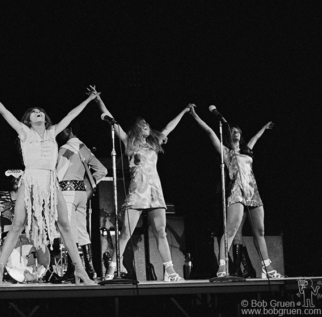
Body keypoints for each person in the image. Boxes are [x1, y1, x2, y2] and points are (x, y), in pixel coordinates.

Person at [0, 83, 99, 286]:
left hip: (51, 181)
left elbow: (70, 115)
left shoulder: (52, 132)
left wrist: (89, 100)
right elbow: (3, 110)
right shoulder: (24, 132)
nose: (38, 113)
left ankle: (81, 271)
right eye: (34, 113)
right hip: (31, 179)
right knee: (17, 225)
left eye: (41, 112)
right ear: (28, 120)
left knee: (65, 226)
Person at [94, 94, 193, 282]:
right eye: (143, 123)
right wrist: (99, 101)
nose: (147, 125)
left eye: (147, 123)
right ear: (137, 128)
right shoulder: (128, 142)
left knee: (161, 231)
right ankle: (112, 268)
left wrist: (185, 111)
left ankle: (170, 272)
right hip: (138, 191)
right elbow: (112, 122)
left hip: (155, 191)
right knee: (125, 233)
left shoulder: (153, 144)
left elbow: (168, 128)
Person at [189, 107, 283, 279]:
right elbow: (210, 132)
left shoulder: (247, 150)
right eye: (233, 131)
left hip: (252, 191)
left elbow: (255, 138)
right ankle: (222, 265)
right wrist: (196, 116)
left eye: (238, 132)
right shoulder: (227, 152)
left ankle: (267, 268)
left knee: (259, 231)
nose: (236, 133)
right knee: (231, 229)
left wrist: (263, 128)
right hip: (237, 191)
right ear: (229, 134)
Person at [56, 120, 108, 281]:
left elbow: (58, 174)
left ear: (70, 130)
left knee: (69, 233)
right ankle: (90, 270)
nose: (60, 133)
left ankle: (74, 269)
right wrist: (87, 186)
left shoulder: (65, 149)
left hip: (67, 193)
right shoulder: (83, 148)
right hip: (81, 194)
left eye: (63, 130)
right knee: (82, 232)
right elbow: (102, 170)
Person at [229, 213, 256, 278]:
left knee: (236, 233)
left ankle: (237, 270)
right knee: (237, 234)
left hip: (241, 205)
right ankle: (248, 268)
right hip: (233, 205)